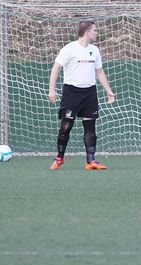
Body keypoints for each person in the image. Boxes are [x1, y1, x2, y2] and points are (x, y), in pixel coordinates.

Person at [48, 19, 116, 171]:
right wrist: (52, 90)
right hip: (71, 93)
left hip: (89, 92)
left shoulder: (95, 50)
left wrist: (108, 90)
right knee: (66, 126)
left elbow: (99, 71)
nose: (96, 33)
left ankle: (91, 161)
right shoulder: (69, 49)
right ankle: (59, 158)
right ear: (87, 32)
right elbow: (56, 68)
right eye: (94, 30)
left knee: (90, 127)